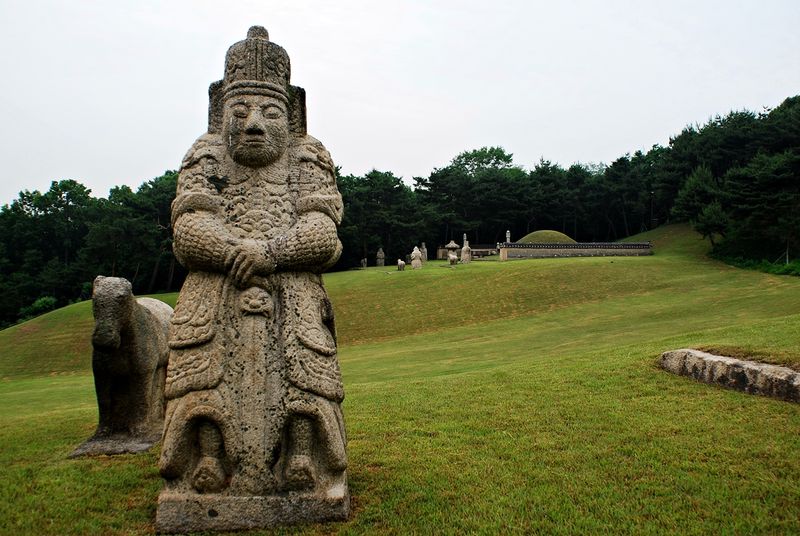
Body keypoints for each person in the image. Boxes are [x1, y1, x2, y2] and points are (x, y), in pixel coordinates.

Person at [158, 26, 347, 498]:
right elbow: (188, 228)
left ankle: (300, 452)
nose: (254, 125)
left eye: (270, 112)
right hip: (218, 284)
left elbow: (322, 231)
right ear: (219, 111)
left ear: (293, 112)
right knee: (202, 362)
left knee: (304, 358)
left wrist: (271, 253)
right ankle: (208, 453)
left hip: (289, 280)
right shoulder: (206, 155)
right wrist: (231, 254)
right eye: (239, 112)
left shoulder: (307, 156)